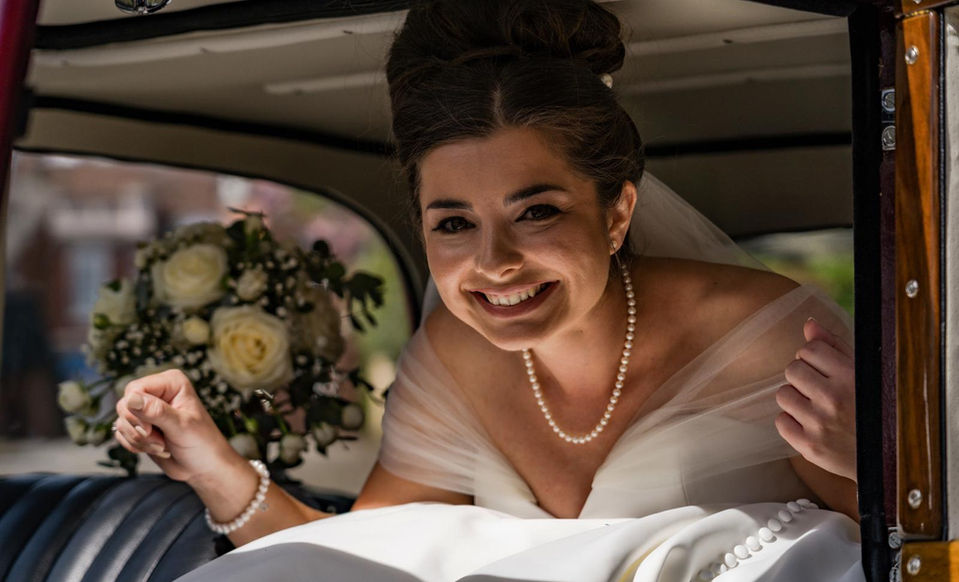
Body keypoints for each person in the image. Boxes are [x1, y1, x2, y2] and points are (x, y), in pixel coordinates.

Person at [114, 0, 858, 564]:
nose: (494, 263)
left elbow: (900, 556)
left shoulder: (764, 340)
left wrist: (863, 462)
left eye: (536, 212)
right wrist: (212, 466)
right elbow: (358, 559)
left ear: (615, 212)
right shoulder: (452, 358)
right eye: (453, 224)